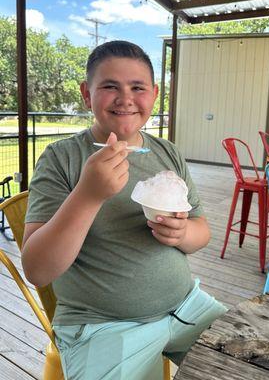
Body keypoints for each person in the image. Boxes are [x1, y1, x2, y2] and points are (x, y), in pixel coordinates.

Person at [22, 40, 227, 380]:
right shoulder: (62, 158)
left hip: (186, 306)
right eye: (109, 87)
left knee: (250, 362)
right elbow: (37, 269)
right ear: (87, 95)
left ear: (154, 94)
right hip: (103, 326)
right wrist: (88, 195)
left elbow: (200, 230)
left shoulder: (168, 153)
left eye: (137, 87)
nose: (126, 98)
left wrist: (182, 233)